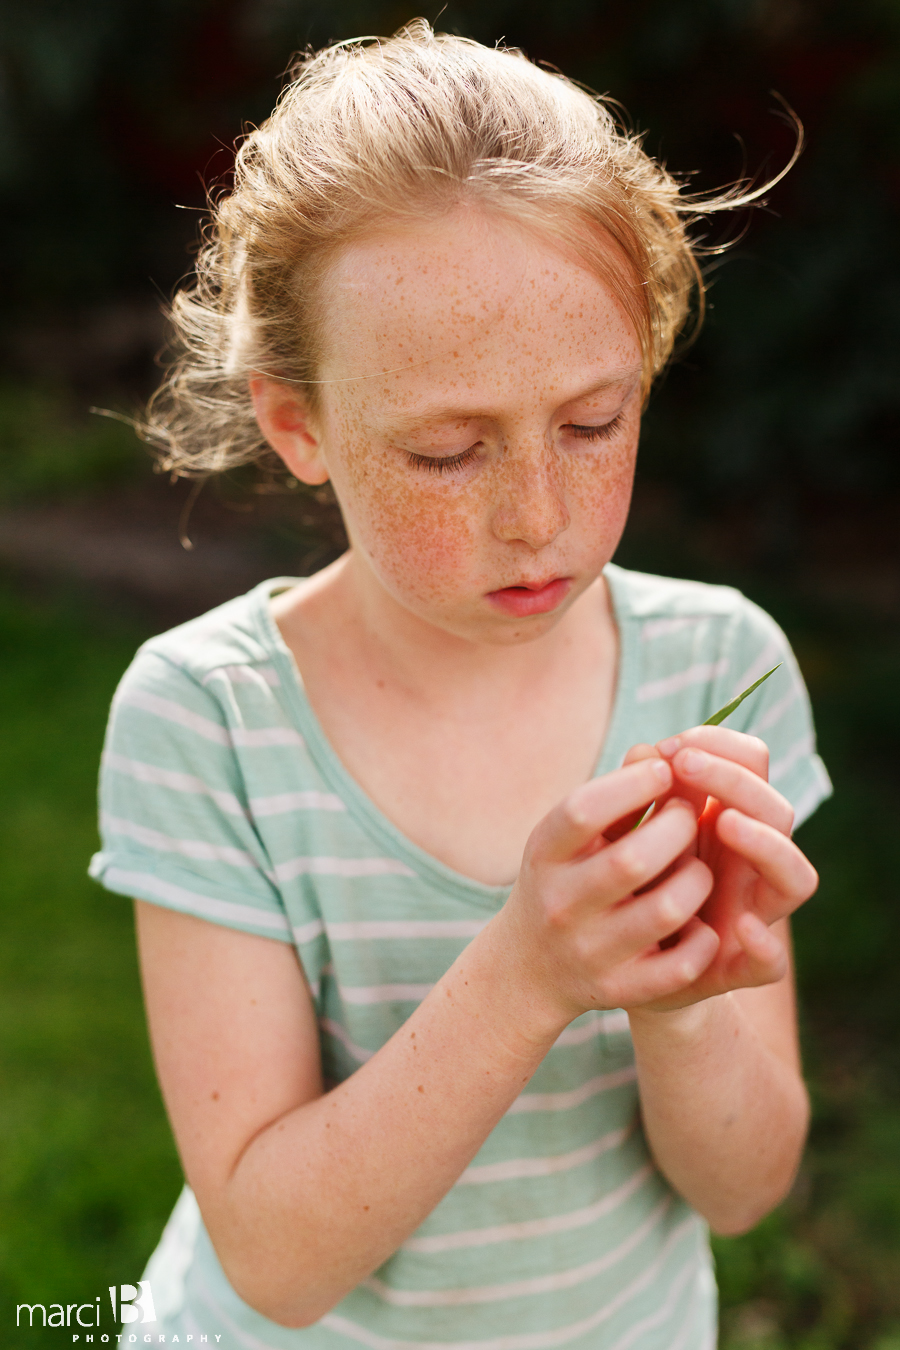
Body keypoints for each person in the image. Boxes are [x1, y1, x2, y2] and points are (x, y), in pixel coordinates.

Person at [90, 22, 831, 1350]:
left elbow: (743, 1186)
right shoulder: (206, 719)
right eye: (445, 449)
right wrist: (526, 974)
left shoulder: (721, 669)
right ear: (299, 425)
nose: (538, 515)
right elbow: (274, 1257)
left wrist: (680, 999)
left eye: (593, 422)